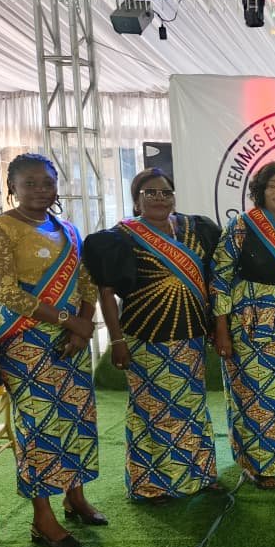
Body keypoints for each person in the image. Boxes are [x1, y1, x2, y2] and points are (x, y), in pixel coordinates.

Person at [0, 153, 102, 547]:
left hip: (72, 342)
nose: (41, 190)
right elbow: (7, 293)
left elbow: (87, 282)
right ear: (12, 187)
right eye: (30, 183)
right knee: (39, 426)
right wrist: (69, 321)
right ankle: (42, 518)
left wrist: (82, 327)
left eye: (47, 182)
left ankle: (76, 497)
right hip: (25, 343)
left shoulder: (69, 230)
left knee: (77, 418)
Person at [83, 168, 221, 503]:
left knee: (191, 406)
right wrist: (117, 340)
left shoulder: (196, 229)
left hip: (190, 336)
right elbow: (106, 292)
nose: (159, 198)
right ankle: (151, 484)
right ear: (136, 200)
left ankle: (199, 475)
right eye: (150, 193)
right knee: (151, 411)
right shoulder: (120, 238)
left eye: (165, 192)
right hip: (145, 336)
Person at [212, 162, 275, 489]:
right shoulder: (241, 226)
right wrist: (222, 329)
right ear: (260, 190)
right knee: (254, 397)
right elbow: (219, 279)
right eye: (272, 185)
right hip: (250, 328)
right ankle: (256, 465)